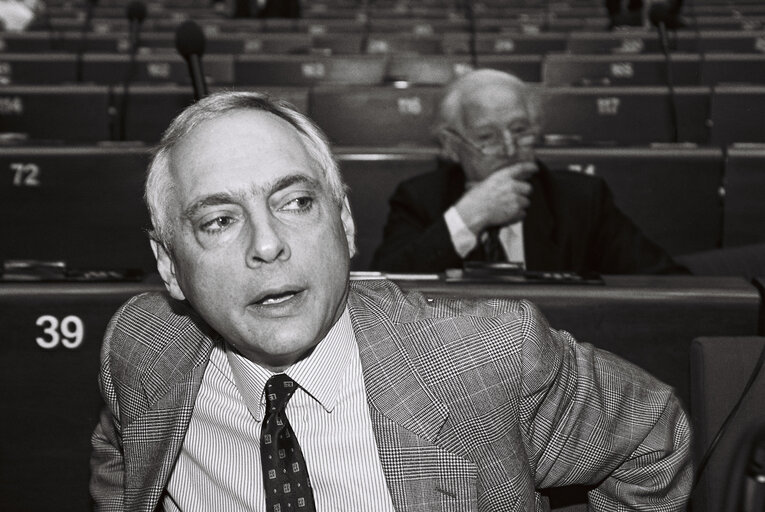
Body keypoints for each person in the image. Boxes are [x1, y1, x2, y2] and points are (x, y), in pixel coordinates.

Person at [90, 91, 692, 511]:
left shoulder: (483, 359)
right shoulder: (142, 345)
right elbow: (121, 482)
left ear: (346, 224)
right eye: (219, 220)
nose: (267, 244)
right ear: (170, 266)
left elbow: (654, 434)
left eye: (296, 202)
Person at [371, 69, 689, 275]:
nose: (509, 148)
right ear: (451, 146)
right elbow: (384, 290)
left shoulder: (581, 200)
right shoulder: (419, 198)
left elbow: (668, 283)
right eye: (487, 137)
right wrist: (468, 218)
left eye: (520, 130)